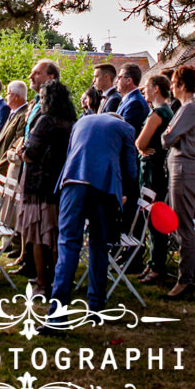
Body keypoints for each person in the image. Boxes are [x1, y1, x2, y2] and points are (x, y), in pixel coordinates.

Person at [50, 112, 138, 315]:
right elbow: (131, 168)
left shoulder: (81, 121)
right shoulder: (125, 128)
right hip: (104, 187)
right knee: (99, 245)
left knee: (68, 245)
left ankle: (57, 312)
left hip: (73, 181)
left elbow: (71, 153)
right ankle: (96, 306)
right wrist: (124, 192)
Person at [19, 79, 77, 297]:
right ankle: (61, 282)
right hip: (61, 185)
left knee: (39, 236)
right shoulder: (72, 121)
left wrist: (22, 153)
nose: (40, 102)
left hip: (40, 184)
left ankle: (42, 284)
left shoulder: (45, 121)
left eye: (42, 98)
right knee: (56, 236)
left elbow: (31, 152)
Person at [160, 65, 195, 300]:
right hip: (180, 166)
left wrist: (169, 133)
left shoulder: (190, 108)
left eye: (174, 82)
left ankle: (185, 279)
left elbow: (167, 137)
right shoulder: (186, 108)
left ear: (182, 84)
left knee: (182, 224)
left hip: (185, 167)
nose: (171, 87)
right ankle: (191, 273)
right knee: (181, 221)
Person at [135, 74, 175, 285]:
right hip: (156, 167)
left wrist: (141, 148)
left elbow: (140, 142)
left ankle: (157, 265)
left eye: (147, 87)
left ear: (157, 89)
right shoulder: (166, 110)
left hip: (153, 169)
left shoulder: (158, 113)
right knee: (152, 216)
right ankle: (153, 262)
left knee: (153, 217)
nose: (144, 90)